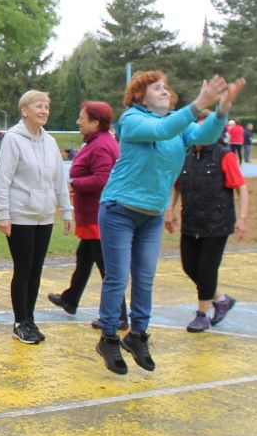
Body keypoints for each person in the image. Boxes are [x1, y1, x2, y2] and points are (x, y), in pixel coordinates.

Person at [94, 71, 243, 375]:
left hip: (151, 215)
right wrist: (199, 103)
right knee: (118, 277)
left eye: (165, 87)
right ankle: (109, 337)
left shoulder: (178, 124)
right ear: (140, 96)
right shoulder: (132, 119)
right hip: (119, 209)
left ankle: (138, 335)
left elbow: (205, 136)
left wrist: (221, 109)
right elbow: (161, 130)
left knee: (145, 277)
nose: (164, 91)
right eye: (156, 87)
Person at [0, 90, 72, 344]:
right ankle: (20, 322)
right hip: (20, 215)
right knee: (23, 269)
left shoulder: (50, 142)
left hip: (44, 216)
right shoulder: (13, 140)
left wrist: (66, 210)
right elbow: (3, 179)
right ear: (24, 110)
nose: (44, 110)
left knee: (36, 270)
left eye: (46, 106)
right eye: (39, 106)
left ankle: (30, 318)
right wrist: (4, 214)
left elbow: (59, 179)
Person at [48, 101, 127, 329]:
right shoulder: (98, 142)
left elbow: (103, 179)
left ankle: (119, 316)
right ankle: (70, 299)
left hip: (98, 215)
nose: (78, 122)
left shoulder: (101, 145)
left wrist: (74, 183)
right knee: (84, 257)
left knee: (106, 266)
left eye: (82, 118)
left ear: (95, 122)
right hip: (94, 213)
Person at [166, 123, 249, 332]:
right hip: (191, 221)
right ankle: (221, 299)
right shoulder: (186, 155)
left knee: (207, 269)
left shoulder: (224, 155)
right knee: (189, 266)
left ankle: (202, 314)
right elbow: (176, 186)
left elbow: (241, 188)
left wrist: (242, 218)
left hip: (217, 223)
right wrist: (169, 209)